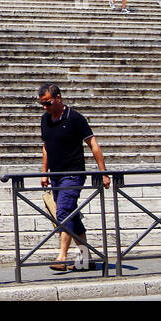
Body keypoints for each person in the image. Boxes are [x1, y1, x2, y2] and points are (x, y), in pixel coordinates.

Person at [37, 83, 109, 272]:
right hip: (56, 176)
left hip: (73, 173)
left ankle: (62, 257)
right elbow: (46, 146)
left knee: (63, 213)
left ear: (58, 98)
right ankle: (87, 258)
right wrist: (45, 172)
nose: (45, 107)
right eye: (42, 104)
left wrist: (103, 172)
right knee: (72, 216)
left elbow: (93, 143)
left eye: (48, 103)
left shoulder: (75, 118)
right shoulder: (45, 119)